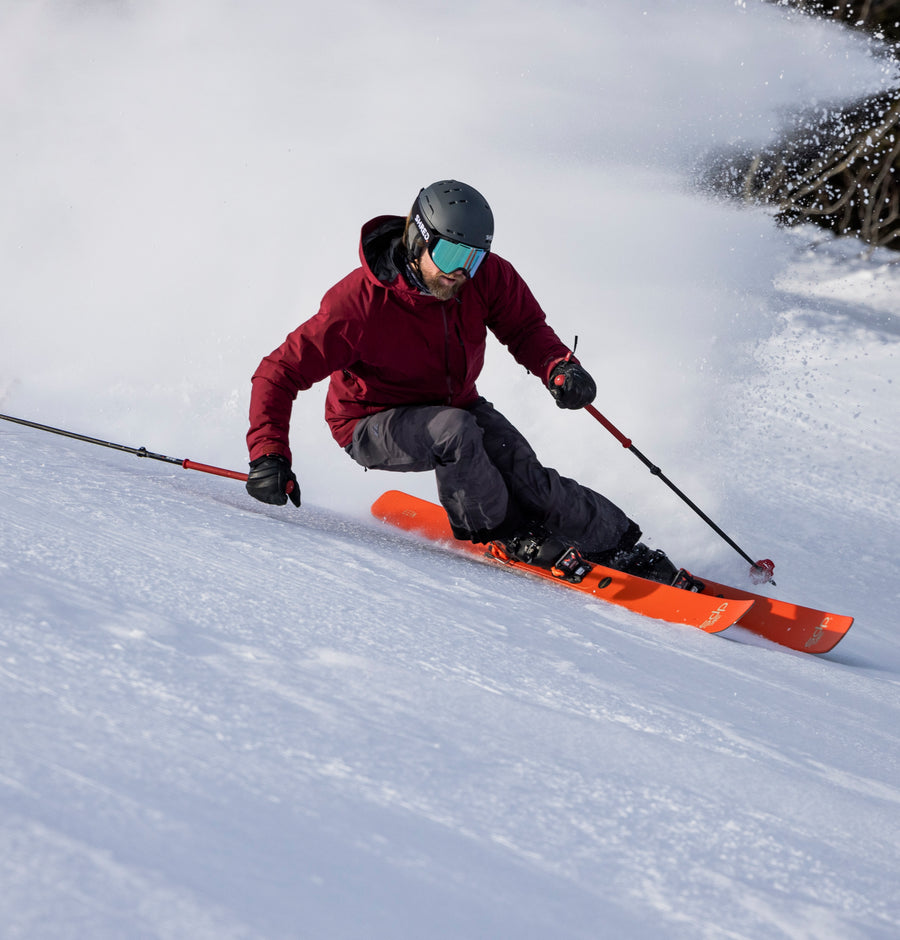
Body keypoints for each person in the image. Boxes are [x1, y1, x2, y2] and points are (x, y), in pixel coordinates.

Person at [245, 179, 683, 585]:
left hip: (455, 406)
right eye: (453, 256)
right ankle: (503, 532)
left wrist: (559, 367)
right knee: (455, 433)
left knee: (523, 472)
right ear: (418, 241)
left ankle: (620, 547)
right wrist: (268, 456)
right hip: (370, 422)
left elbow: (526, 329)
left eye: (473, 258)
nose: (461, 273)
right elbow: (278, 372)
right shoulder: (358, 305)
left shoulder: (484, 279)